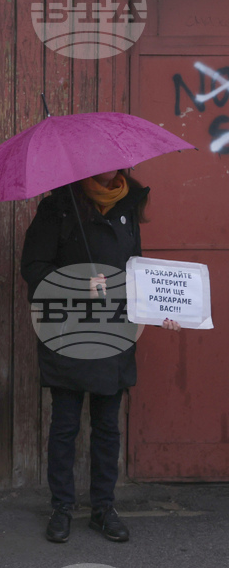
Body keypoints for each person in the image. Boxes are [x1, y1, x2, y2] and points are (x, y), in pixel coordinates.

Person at [21, 169, 180, 545]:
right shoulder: (59, 208)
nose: (113, 168)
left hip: (115, 332)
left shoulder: (128, 205)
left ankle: (103, 509)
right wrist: (77, 283)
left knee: (108, 426)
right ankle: (61, 507)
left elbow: (138, 272)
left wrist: (162, 308)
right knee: (65, 426)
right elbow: (33, 269)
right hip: (69, 333)